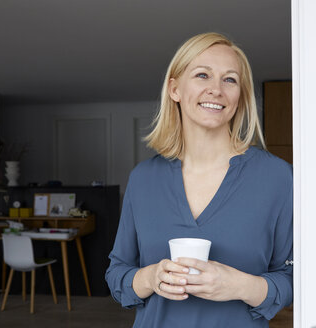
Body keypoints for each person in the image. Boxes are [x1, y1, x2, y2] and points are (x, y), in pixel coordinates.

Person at [105, 32, 293, 327]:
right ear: (175, 89)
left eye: (229, 80)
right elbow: (117, 274)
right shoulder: (144, 179)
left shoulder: (277, 177)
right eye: (202, 75)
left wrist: (237, 285)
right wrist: (151, 278)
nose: (215, 89)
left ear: (240, 95)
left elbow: (294, 278)